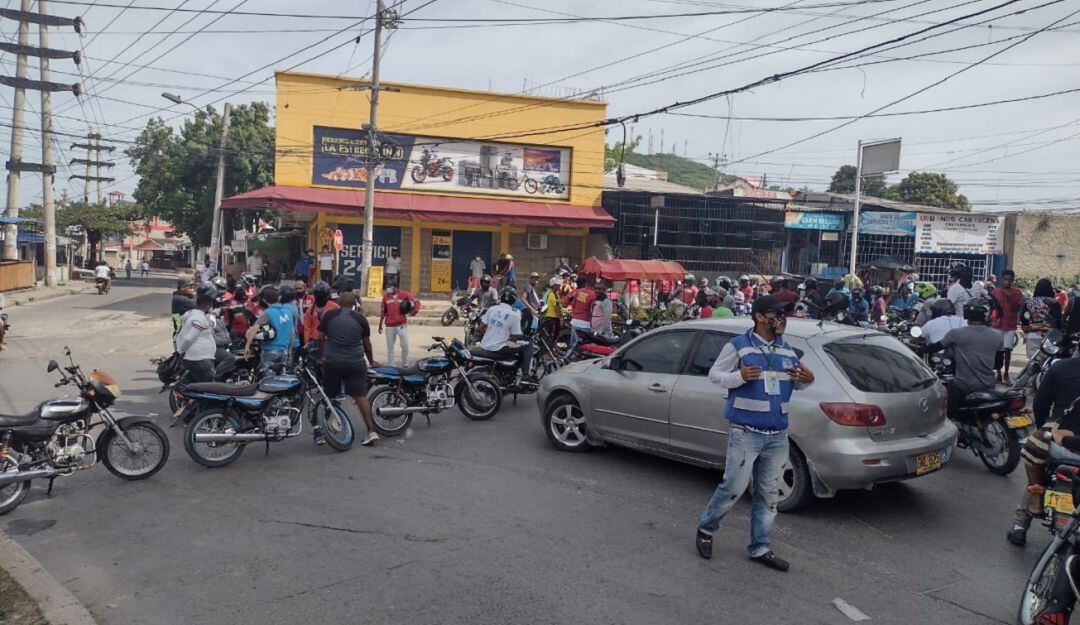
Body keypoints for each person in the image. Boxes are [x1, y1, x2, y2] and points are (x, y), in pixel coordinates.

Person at [695, 295, 814, 571]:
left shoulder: (788, 352)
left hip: (777, 434)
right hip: (745, 431)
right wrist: (739, 377)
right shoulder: (738, 346)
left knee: (768, 494)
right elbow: (715, 375)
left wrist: (808, 381)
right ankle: (706, 528)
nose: (782, 319)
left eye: (785, 314)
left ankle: (760, 547)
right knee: (733, 487)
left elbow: (797, 385)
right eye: (777, 314)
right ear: (760, 316)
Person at [1006, 356, 1080, 549]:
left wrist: (1043, 428)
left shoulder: (1060, 368)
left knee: (1036, 470)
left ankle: (1020, 525)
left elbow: (1040, 404)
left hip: (1056, 444)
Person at [317, 291, 381, 447]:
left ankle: (329, 428)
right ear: (355, 304)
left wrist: (320, 357)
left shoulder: (329, 316)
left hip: (333, 362)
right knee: (360, 396)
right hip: (355, 362)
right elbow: (367, 344)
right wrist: (371, 361)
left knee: (330, 396)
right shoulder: (360, 318)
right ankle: (371, 431)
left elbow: (320, 338)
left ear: (339, 302)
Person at [920, 300, 1001, 419]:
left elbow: (935, 347)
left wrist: (916, 351)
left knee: (947, 400)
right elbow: (999, 364)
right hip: (989, 384)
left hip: (964, 385)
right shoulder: (998, 335)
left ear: (966, 314)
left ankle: (950, 421)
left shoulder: (956, 334)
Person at [476, 287, 534, 383]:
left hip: (485, 345)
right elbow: (515, 337)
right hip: (499, 348)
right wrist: (509, 337)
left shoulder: (492, 309)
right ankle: (525, 375)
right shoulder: (515, 313)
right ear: (514, 299)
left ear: (500, 297)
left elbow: (480, 329)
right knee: (528, 345)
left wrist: (491, 333)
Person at [245, 286, 299, 378]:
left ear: (265, 300)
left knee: (269, 379)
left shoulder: (268, 313)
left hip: (270, 350)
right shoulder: (288, 312)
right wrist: (290, 350)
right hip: (284, 350)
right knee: (282, 377)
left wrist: (247, 346)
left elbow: (254, 329)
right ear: (278, 298)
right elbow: (292, 333)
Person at [990, 269, 1024, 385]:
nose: (1007, 282)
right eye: (1005, 279)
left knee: (1007, 350)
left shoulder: (1017, 292)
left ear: (1012, 281)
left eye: (1009, 280)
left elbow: (1017, 309)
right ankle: (999, 373)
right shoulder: (995, 292)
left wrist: (1010, 297)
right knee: (998, 352)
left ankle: (1006, 374)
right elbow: (992, 309)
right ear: (1001, 279)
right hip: (997, 326)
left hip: (1010, 325)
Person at [176, 294, 218, 383]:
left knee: (195, 383)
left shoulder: (190, 314)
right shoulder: (199, 318)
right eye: (210, 305)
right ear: (205, 305)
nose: (211, 308)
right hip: (199, 359)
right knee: (208, 385)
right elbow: (189, 338)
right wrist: (180, 352)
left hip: (194, 357)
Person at [379, 283, 420, 367]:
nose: (388, 289)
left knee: (405, 345)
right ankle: (391, 365)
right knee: (390, 347)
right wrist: (380, 324)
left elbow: (416, 301)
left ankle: (405, 363)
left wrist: (415, 310)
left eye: (390, 287)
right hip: (390, 326)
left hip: (401, 324)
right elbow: (383, 311)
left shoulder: (404, 295)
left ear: (396, 288)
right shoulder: (385, 297)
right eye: (387, 287)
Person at [1023, 278, 1063, 358]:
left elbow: (1024, 317)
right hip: (1049, 335)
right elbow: (1058, 320)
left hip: (1032, 333)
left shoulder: (1029, 302)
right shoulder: (1054, 303)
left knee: (1033, 360)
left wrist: (1027, 326)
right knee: (1046, 360)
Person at [567, 276, 597, 350]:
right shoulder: (593, 295)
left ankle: (570, 359)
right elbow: (592, 310)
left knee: (573, 344)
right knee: (584, 346)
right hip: (585, 323)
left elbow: (570, 303)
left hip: (574, 321)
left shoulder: (577, 292)